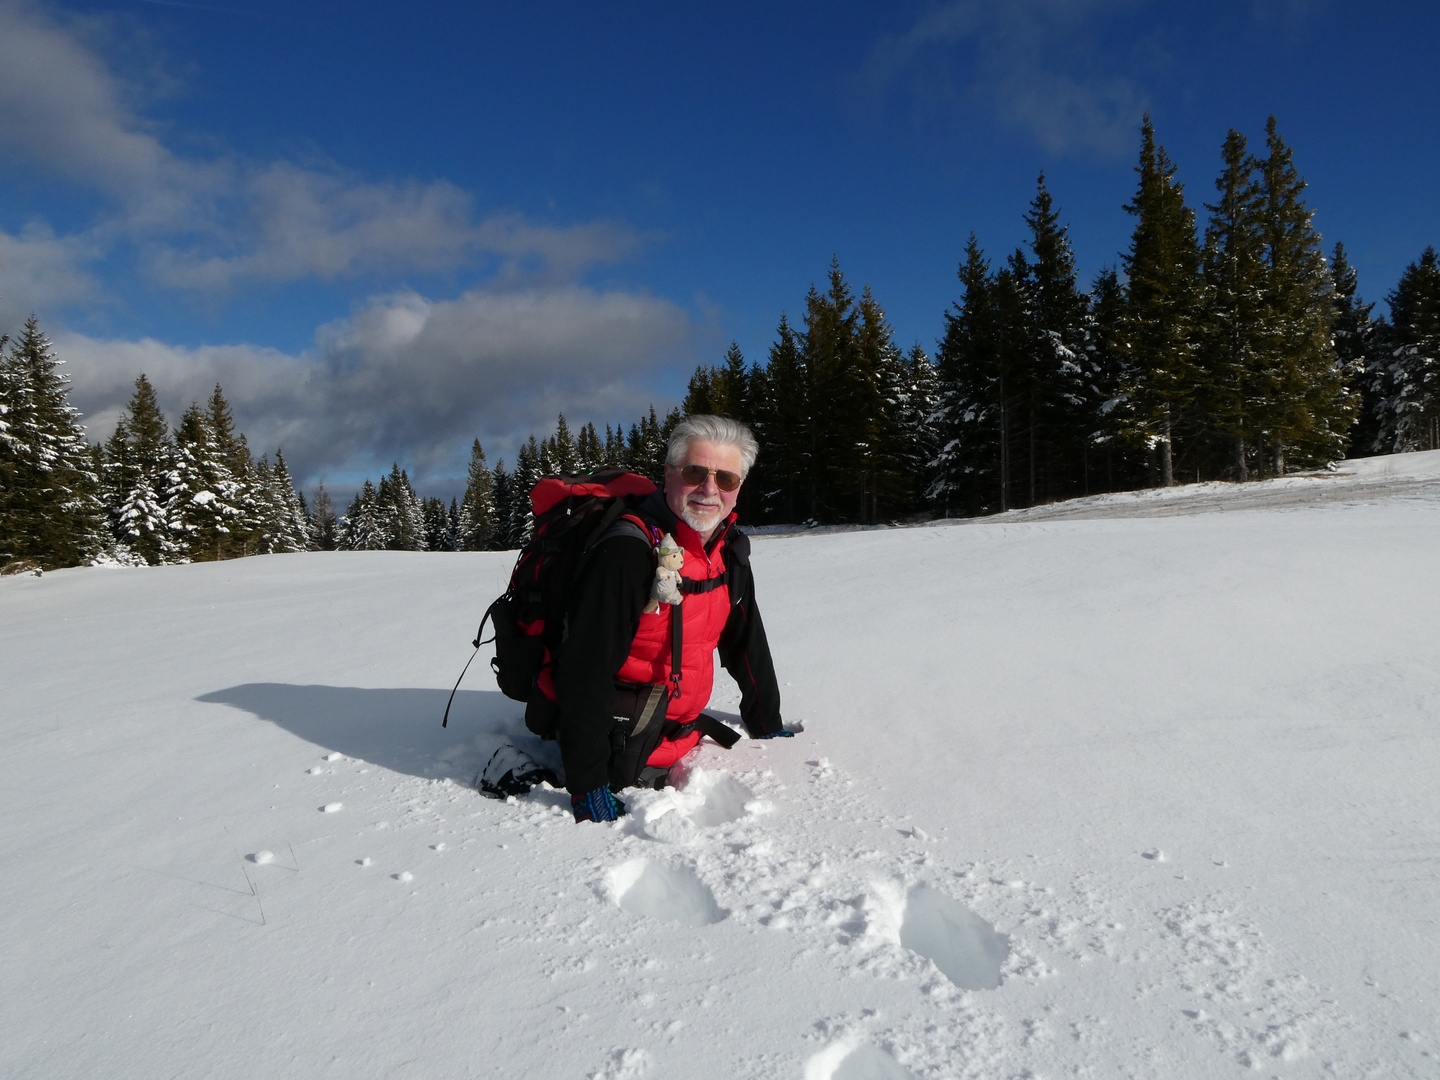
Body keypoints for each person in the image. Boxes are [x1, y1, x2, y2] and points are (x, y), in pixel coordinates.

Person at [554, 415, 791, 822]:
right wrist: (587, 783)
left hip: (677, 729)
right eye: (695, 472)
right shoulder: (629, 552)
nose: (709, 490)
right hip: (620, 738)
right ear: (668, 473)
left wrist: (766, 721)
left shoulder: (727, 548)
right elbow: (584, 668)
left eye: (727, 480)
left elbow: (745, 638)